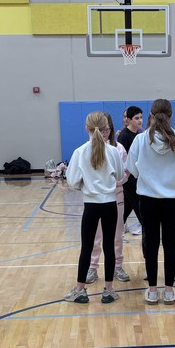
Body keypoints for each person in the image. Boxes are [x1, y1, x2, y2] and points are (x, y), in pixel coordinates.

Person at [127, 99, 175, 304]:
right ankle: (169, 290)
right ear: (170, 116)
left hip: (148, 199)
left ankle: (152, 290)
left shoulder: (141, 140)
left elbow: (132, 168)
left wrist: (148, 178)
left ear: (151, 115)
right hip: (172, 201)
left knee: (151, 244)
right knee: (170, 244)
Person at [63, 111, 124, 305]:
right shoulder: (114, 151)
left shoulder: (80, 152)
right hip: (109, 204)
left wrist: (86, 185)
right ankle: (108, 290)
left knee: (87, 248)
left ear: (86, 129)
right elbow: (120, 175)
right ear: (106, 129)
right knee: (109, 246)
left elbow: (72, 181)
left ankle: (80, 290)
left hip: (90, 205)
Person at [84, 111, 130, 285]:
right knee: (95, 236)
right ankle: (93, 267)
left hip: (115, 197)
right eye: (101, 130)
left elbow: (125, 172)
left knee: (117, 234)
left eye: (107, 130)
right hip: (94, 200)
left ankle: (118, 266)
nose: (104, 133)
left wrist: (117, 184)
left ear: (111, 129)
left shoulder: (117, 149)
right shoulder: (86, 150)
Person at [117, 105, 144, 235]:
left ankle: (117, 229)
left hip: (138, 176)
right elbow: (123, 159)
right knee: (139, 206)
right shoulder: (124, 135)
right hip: (129, 178)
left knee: (127, 207)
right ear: (128, 120)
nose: (140, 120)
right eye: (136, 118)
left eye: (141, 117)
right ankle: (147, 229)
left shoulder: (140, 134)